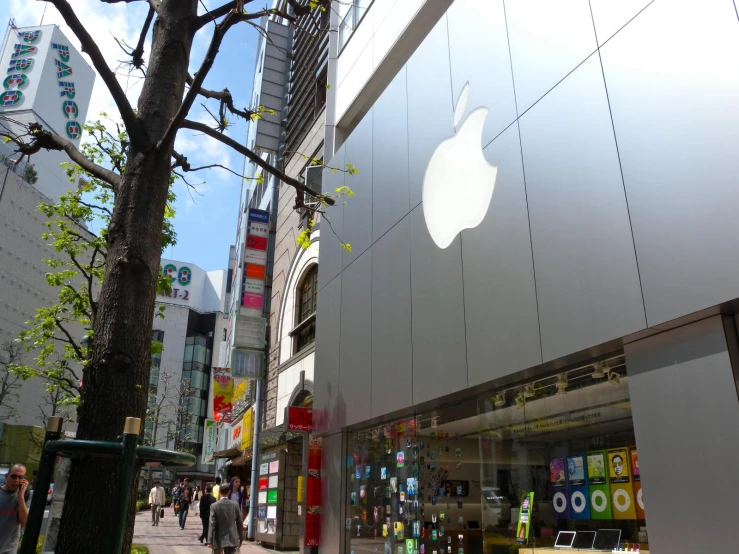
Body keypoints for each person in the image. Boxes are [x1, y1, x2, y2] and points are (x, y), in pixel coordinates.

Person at [0, 463, 30, 554]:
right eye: (13, 476)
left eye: (20, 477)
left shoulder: (24, 496)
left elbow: (24, 521)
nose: (16, 480)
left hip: (9, 548)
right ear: (6, 476)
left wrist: (21, 497)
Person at [207, 484, 243, 554]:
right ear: (229, 492)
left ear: (219, 492)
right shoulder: (235, 505)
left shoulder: (214, 506)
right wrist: (240, 538)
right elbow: (239, 522)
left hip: (218, 538)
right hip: (232, 538)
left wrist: (210, 540)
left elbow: (212, 524)